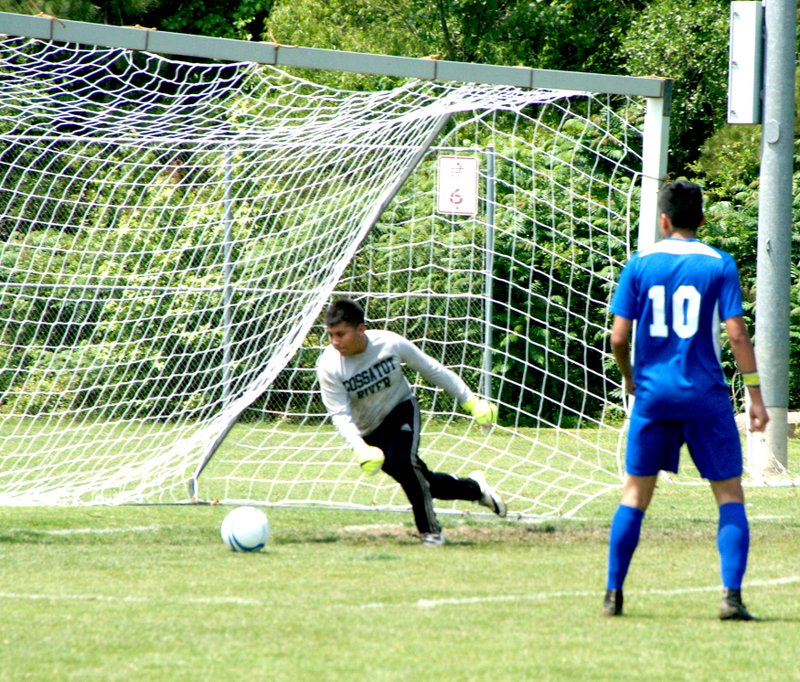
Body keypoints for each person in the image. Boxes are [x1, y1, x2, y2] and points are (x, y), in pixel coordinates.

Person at [603, 180, 769, 620]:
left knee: (635, 495)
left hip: (653, 397)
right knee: (730, 494)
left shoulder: (639, 264)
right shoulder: (719, 263)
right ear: (701, 219)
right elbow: (735, 333)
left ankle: (613, 595)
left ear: (663, 220)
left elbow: (619, 337)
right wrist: (755, 397)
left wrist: (630, 380)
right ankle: (731, 598)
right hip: (705, 398)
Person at [317, 298, 506, 546]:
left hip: (400, 410)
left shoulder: (389, 343)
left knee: (404, 463)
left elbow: (432, 370)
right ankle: (476, 489)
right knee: (423, 481)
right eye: (330, 335)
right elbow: (340, 414)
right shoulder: (329, 366)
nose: (335, 342)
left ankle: (430, 532)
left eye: (340, 334)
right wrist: (359, 447)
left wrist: (471, 402)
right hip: (368, 432)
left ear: (361, 329)